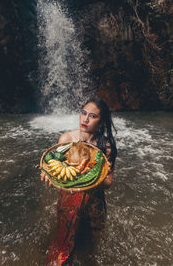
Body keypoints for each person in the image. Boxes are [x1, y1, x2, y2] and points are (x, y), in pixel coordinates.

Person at [41, 97, 117, 265]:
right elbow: (54, 166)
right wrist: (48, 173)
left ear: (101, 122)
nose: (85, 119)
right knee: (64, 241)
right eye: (83, 113)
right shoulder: (66, 139)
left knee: (90, 246)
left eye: (92, 116)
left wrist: (97, 174)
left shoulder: (106, 147)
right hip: (69, 200)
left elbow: (109, 182)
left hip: (94, 202)